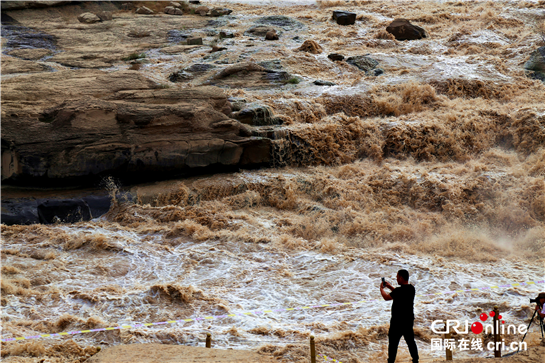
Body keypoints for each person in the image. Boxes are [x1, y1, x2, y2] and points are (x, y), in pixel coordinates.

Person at [380, 269, 419, 363]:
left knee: (393, 344)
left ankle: (391, 361)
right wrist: (390, 287)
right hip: (408, 321)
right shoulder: (411, 289)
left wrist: (381, 289)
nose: (396, 279)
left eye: (397, 277)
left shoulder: (398, 291)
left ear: (401, 277)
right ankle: (416, 360)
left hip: (397, 322)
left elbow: (387, 297)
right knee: (410, 342)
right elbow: (398, 293)